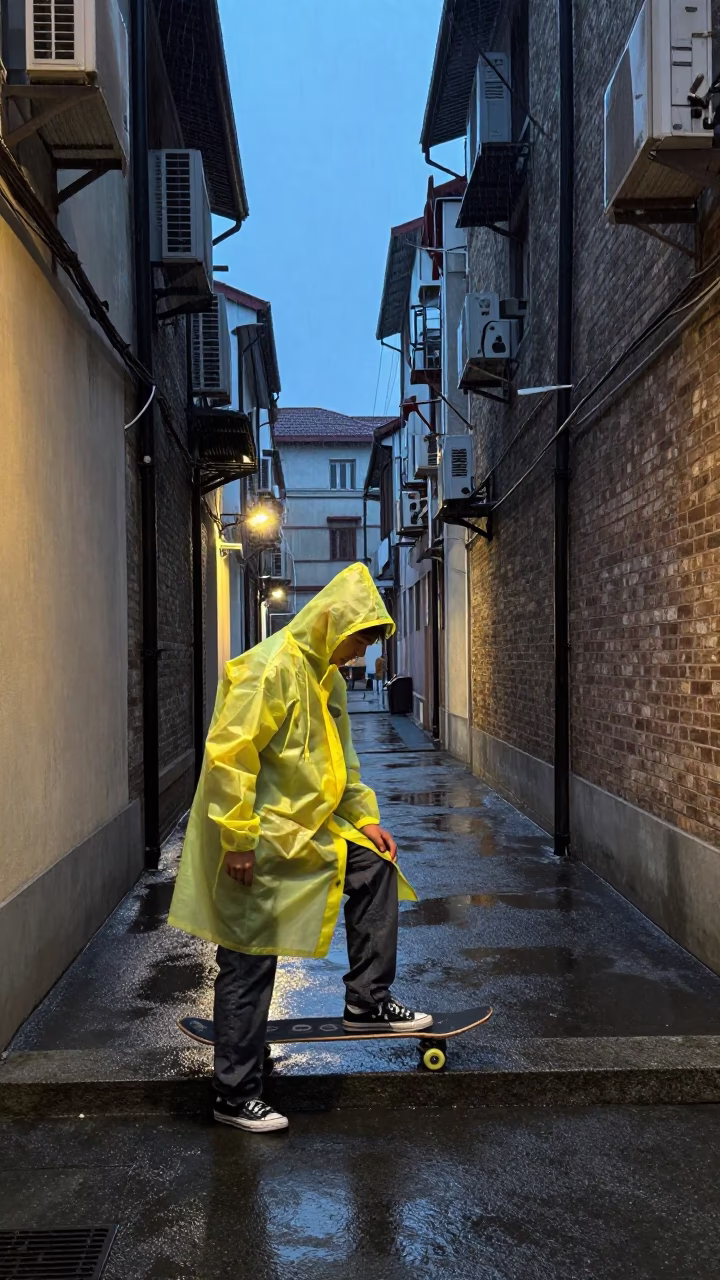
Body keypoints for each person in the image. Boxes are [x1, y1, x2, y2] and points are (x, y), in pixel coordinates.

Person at [168, 562, 431, 1133]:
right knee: (249, 955)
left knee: (374, 865)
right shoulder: (270, 670)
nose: (360, 653)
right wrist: (237, 839)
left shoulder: (325, 677)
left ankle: (366, 1002)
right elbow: (229, 757)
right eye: (359, 638)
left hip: (304, 832)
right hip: (257, 837)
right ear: (334, 625)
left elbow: (343, 763)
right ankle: (233, 1095)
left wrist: (363, 821)